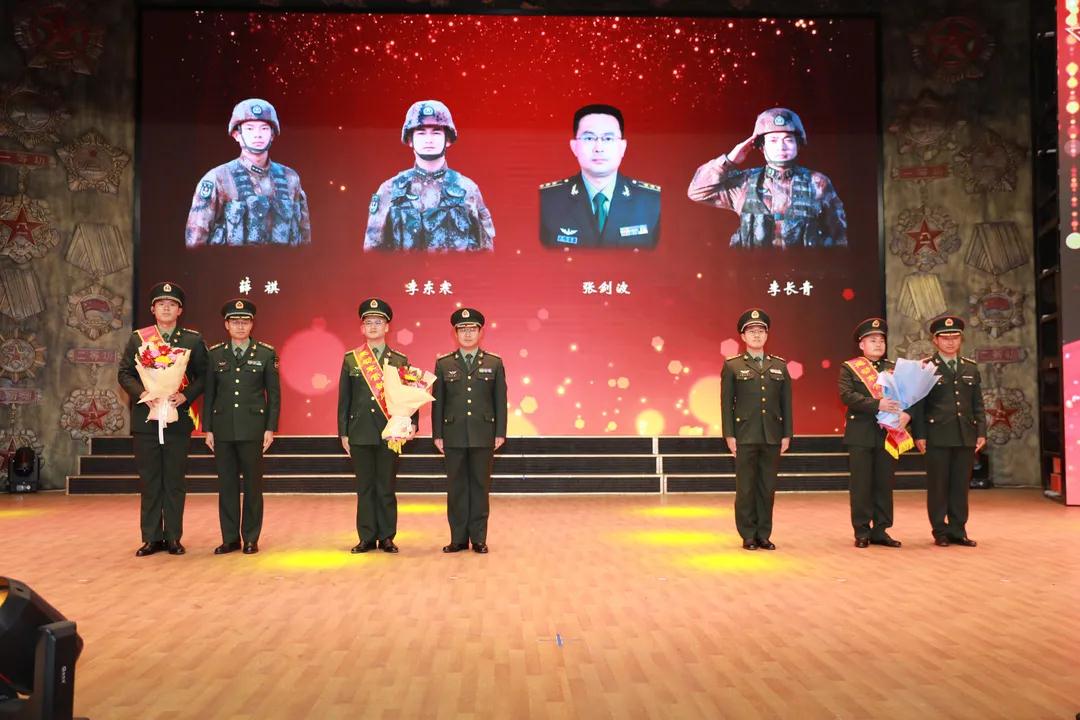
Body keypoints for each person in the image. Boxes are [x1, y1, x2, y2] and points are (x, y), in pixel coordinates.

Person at [117, 282, 208, 557]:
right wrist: (143, 393)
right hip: (146, 419)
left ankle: (173, 537)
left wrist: (186, 396)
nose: (166, 308)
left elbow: (205, 375)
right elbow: (124, 373)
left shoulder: (192, 340)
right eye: (161, 304)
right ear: (152, 309)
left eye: (172, 304)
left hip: (177, 419)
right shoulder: (138, 339)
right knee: (150, 480)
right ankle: (151, 537)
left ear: (179, 310)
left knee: (175, 480)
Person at [687, 107, 847, 249]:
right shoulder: (744, 183)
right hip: (753, 271)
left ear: (798, 145)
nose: (781, 147)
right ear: (762, 147)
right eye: (773, 140)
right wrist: (728, 161)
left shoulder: (818, 183)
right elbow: (697, 192)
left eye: (788, 140)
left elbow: (839, 238)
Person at [337, 298, 416, 553]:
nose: (373, 326)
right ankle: (367, 537)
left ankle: (387, 536)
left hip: (390, 432)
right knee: (365, 487)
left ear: (387, 327)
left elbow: (410, 395)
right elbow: (344, 400)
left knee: (386, 487)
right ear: (362, 328)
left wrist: (411, 424)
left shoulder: (399, 359)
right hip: (360, 432)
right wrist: (344, 433)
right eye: (368, 322)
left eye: (378, 322)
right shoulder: (352, 359)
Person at [203, 298, 280, 555]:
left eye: (245, 321)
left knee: (252, 486)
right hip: (222, 428)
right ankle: (229, 538)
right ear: (226, 325)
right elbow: (210, 393)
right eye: (234, 321)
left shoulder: (266, 353)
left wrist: (270, 428)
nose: (240, 326)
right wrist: (207, 428)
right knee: (226, 486)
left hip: (253, 428)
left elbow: (274, 395)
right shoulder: (215, 354)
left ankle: (250, 538)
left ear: (252, 324)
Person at [364, 100, 495, 251]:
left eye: (436, 132)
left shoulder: (468, 189)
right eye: (421, 133)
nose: (429, 139)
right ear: (410, 140)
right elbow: (372, 252)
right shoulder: (389, 190)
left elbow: (486, 252)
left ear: (448, 140)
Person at [185, 98, 311, 248]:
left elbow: (304, 236)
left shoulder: (290, 179)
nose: (258, 135)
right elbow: (195, 241)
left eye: (264, 128)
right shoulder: (218, 178)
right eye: (250, 129)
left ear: (272, 134)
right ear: (236, 135)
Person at [431, 308, 507, 554]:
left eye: (472, 329)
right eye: (462, 329)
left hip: (483, 434)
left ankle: (479, 538)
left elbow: (500, 401)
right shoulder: (444, 363)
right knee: (456, 489)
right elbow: (438, 402)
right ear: (455, 333)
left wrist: (500, 432)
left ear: (480, 332)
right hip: (453, 435)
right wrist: (437, 434)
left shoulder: (494, 363)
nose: (467, 334)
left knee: (480, 487)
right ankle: (458, 539)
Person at [539, 104, 661, 249]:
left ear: (622, 147)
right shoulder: (546, 200)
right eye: (589, 138)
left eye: (608, 139)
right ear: (574, 147)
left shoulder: (653, 201)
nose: (598, 148)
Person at [911, 315, 985, 547]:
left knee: (960, 486)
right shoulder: (926, 368)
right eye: (945, 338)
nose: (951, 342)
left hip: (965, 434)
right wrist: (919, 434)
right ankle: (940, 531)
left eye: (955, 337)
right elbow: (918, 405)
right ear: (935, 340)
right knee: (938, 486)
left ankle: (958, 530)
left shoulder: (970, 367)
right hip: (937, 435)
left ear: (961, 339)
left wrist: (981, 432)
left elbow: (977, 404)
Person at [720, 309, 792, 550]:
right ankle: (748, 534)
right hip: (744, 434)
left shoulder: (779, 365)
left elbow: (786, 403)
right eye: (751, 331)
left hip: (772, 434)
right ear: (743, 336)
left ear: (767, 335)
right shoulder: (732, 365)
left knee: (767, 487)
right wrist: (729, 434)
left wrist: (787, 434)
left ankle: (764, 534)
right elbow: (726, 404)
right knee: (746, 488)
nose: (757, 335)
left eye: (761, 331)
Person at [839, 317, 906, 549]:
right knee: (861, 485)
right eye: (872, 340)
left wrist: (906, 414)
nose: (878, 344)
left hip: (888, 433)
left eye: (881, 340)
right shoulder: (850, 368)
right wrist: (878, 404)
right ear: (861, 344)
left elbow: (907, 397)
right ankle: (861, 531)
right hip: (861, 433)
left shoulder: (894, 369)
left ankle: (881, 530)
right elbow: (847, 396)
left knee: (884, 483)